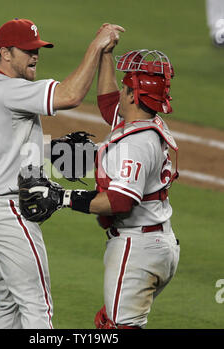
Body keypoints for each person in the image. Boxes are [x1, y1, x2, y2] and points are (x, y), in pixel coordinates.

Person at [0, 18, 124, 329]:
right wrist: (97, 45)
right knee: (38, 305)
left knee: (10, 303)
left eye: (37, 49)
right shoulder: (9, 89)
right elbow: (70, 95)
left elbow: (5, 142)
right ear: (5, 53)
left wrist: (49, 150)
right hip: (5, 211)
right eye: (27, 51)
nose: (35, 56)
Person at [20, 42, 181, 328]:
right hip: (159, 243)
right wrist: (106, 53)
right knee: (112, 322)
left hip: (137, 247)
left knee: (116, 329)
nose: (120, 89)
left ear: (133, 95)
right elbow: (109, 104)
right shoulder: (146, 123)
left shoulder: (135, 144)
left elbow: (119, 202)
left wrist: (62, 197)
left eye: (125, 85)